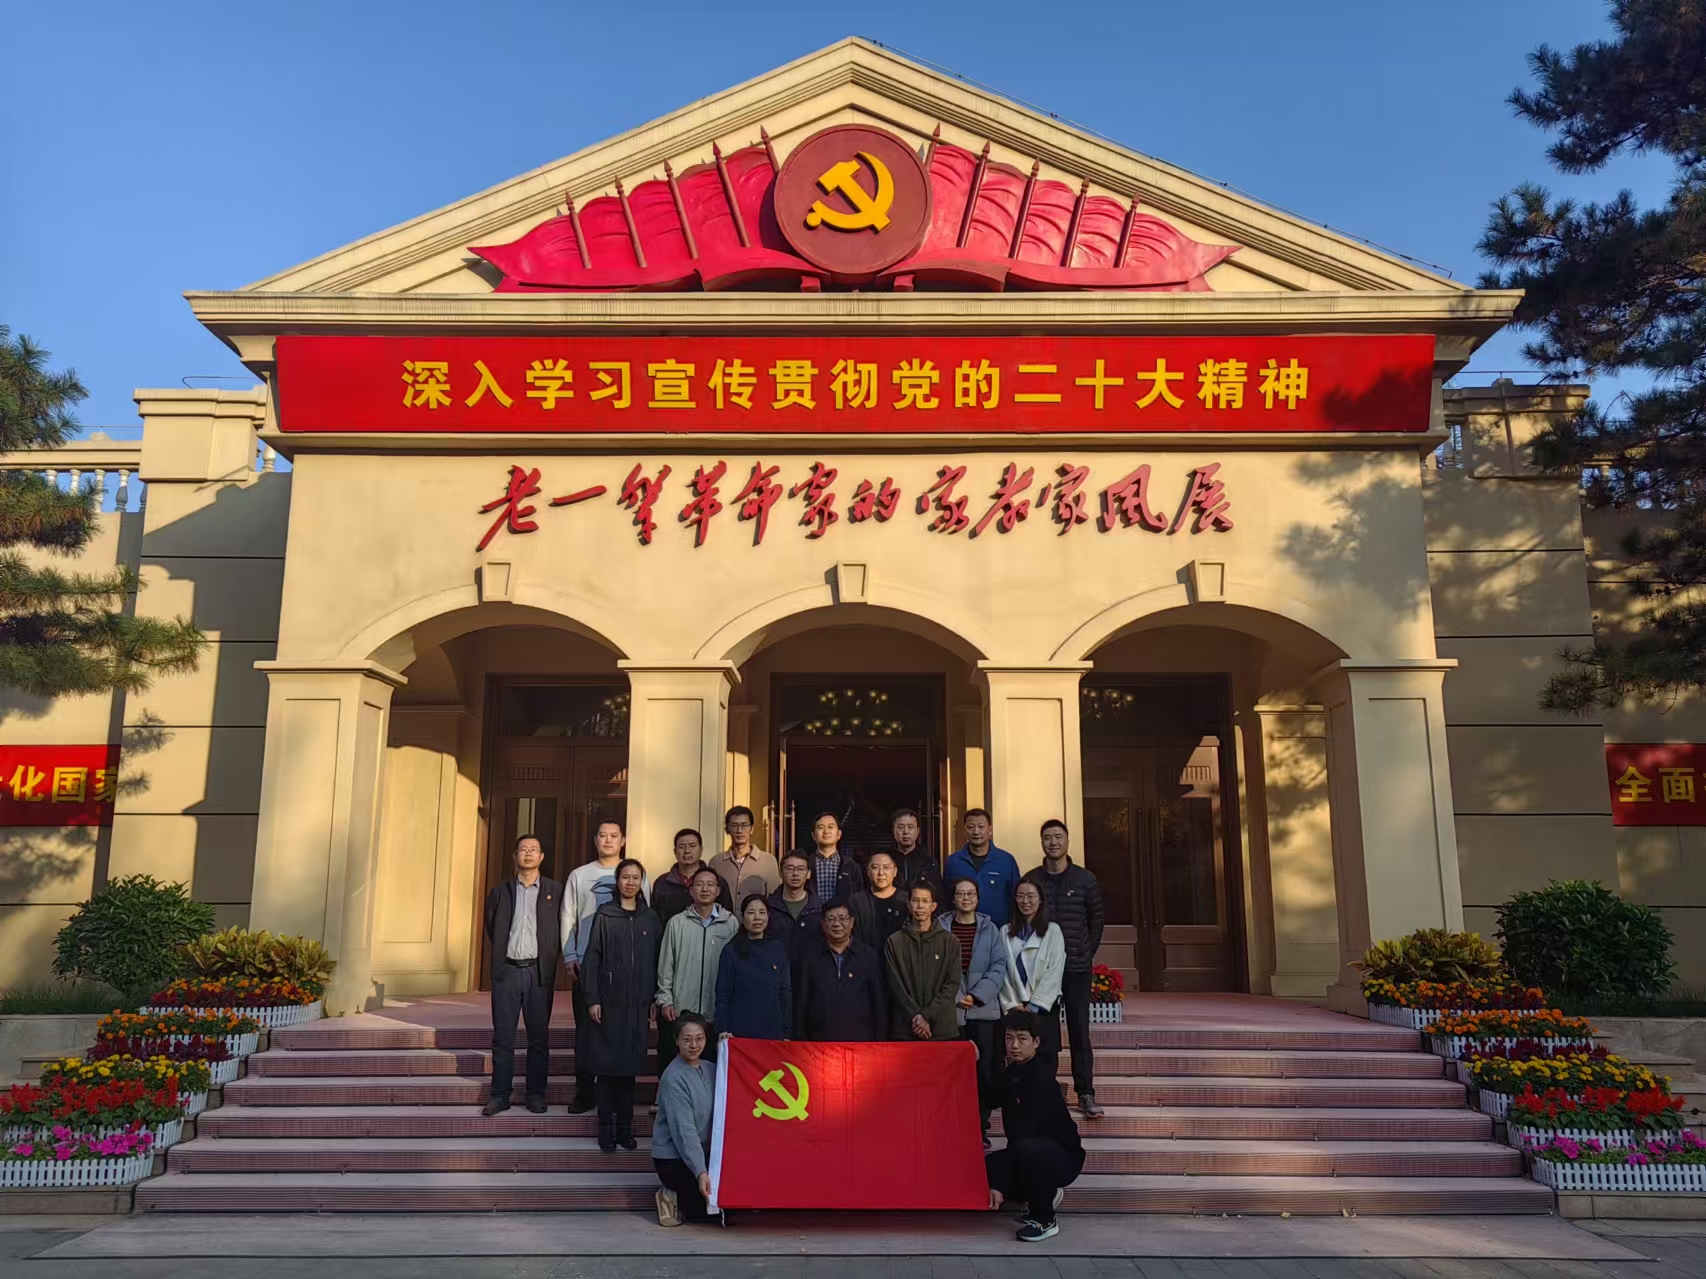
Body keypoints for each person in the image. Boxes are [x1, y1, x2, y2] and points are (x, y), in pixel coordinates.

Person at [561, 820, 648, 1115]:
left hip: (625, 971)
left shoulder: (635, 873)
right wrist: (570, 955)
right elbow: (568, 916)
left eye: (614, 836)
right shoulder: (579, 875)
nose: (608, 840)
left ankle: (619, 1099)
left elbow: (644, 915)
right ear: (595, 840)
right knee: (586, 1034)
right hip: (587, 965)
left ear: (623, 840)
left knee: (621, 1034)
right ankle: (585, 1092)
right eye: (603, 835)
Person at [1022, 819, 1106, 1119]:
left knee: (1079, 1031)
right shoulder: (1032, 879)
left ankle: (1085, 1093)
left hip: (1075, 969)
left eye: (1058, 837)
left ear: (1068, 841)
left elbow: (1096, 921)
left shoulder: (1085, 879)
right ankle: (1043, 1089)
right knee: (1044, 1033)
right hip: (1041, 972)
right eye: (1047, 837)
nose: (1053, 843)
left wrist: (1084, 952)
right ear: (1041, 842)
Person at [580, 857, 660, 1153]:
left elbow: (658, 961)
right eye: (625, 877)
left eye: (636, 877)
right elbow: (592, 960)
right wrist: (593, 999)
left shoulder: (650, 918)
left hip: (637, 1007)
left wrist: (654, 997)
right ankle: (605, 1129)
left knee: (629, 1071)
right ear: (617, 881)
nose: (630, 882)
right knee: (606, 1070)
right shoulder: (605, 915)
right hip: (609, 1005)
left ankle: (625, 1129)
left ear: (642, 882)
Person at [480, 834, 563, 1116]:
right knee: (503, 1037)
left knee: (538, 1037)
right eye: (523, 849)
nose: (528, 853)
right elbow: (492, 926)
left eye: (534, 849)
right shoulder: (500, 891)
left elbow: (562, 927)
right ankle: (500, 1094)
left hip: (538, 973)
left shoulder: (555, 890)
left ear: (542, 857)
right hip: (508, 972)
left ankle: (536, 1093)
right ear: (515, 856)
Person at [985, 1009, 1084, 1243]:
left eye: (1022, 1039)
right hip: (1026, 1151)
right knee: (983, 1167)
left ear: (1036, 1042)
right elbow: (988, 1098)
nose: (1014, 1045)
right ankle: (1047, 1194)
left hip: (1059, 1156)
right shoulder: (1011, 1072)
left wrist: (1000, 1181)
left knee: (1029, 1152)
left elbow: (1028, 1135)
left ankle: (1045, 1219)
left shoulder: (1042, 1078)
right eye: (1009, 1038)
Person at [655, 866, 737, 1075]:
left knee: (711, 1070)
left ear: (718, 890)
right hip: (682, 1010)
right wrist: (666, 999)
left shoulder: (730, 924)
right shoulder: (677, 923)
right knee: (676, 1067)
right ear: (691, 891)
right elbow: (666, 964)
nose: (705, 889)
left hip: (715, 1010)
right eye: (699, 884)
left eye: (710, 885)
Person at [946, 876, 1006, 1141]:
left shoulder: (990, 929)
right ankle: (954, 1126)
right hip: (951, 1010)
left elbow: (998, 965)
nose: (966, 898)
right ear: (953, 898)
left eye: (971, 894)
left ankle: (980, 1126)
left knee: (983, 1071)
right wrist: (957, 995)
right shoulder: (941, 926)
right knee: (954, 1072)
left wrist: (976, 995)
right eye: (961, 893)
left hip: (983, 1010)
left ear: (978, 898)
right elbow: (937, 968)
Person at [652, 1013, 718, 1227]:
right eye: (687, 1039)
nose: (694, 1045)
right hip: (675, 1159)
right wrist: (701, 1172)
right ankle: (670, 1193)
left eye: (699, 1039)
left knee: (730, 1208)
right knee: (705, 1214)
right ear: (677, 1041)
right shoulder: (673, 1077)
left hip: (705, 1154)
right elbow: (684, 1131)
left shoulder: (711, 1068)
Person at [793, 899, 887, 1041]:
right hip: (819, 1043)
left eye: (842, 918)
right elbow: (802, 1003)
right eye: (831, 919)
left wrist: (879, 1042)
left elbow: (879, 1004)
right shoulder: (810, 958)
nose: (837, 924)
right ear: (823, 924)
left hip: (860, 1043)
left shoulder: (868, 957)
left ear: (852, 922)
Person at [999, 881, 1066, 1075]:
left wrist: (1034, 1006)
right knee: (1015, 1063)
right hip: (1015, 1006)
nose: (1025, 901)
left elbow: (1054, 971)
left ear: (1041, 900)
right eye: (1020, 896)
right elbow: (1002, 971)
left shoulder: (1052, 931)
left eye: (1031, 896)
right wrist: (1014, 1005)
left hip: (1043, 1008)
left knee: (1044, 1064)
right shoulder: (1005, 932)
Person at [883, 882, 961, 1042]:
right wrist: (916, 1017)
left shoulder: (950, 941)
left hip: (941, 1029)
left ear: (933, 906)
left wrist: (927, 1015)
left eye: (925, 901)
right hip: (905, 1029)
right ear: (908, 904)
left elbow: (952, 984)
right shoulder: (894, 941)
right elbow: (894, 985)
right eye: (915, 900)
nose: (920, 906)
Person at [715, 894, 793, 1040]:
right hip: (739, 1032)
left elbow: (785, 992)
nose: (757, 918)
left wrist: (787, 1032)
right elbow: (723, 994)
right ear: (742, 917)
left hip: (773, 1032)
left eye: (762, 912)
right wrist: (723, 1028)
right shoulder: (731, 951)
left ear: (768, 916)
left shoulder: (778, 949)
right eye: (751, 912)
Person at [943, 808, 1021, 927]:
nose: (976, 831)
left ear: (990, 830)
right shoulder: (953, 862)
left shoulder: (1006, 860)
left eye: (981, 827)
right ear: (964, 831)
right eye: (971, 827)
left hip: (999, 929)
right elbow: (947, 899)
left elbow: (1015, 897)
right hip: (961, 929)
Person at [652, 828, 732, 927]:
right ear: (675, 852)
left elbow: (727, 917)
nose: (687, 851)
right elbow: (655, 920)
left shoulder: (717, 881)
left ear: (701, 850)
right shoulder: (662, 883)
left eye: (692, 846)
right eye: (682, 847)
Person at [711, 805, 780, 902]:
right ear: (727, 830)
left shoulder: (768, 861)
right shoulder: (716, 862)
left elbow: (774, 899)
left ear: (752, 829)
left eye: (744, 825)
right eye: (734, 825)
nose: (739, 830)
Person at [764, 852, 823, 967]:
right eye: (789, 869)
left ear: (808, 874)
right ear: (780, 873)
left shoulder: (819, 908)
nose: (795, 873)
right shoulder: (768, 907)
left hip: (811, 971)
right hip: (776, 970)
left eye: (801, 869)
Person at [847, 851, 907, 951]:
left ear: (895, 871)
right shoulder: (857, 901)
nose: (881, 873)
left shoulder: (905, 900)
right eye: (875, 868)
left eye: (886, 867)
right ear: (867, 871)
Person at [806, 812, 862, 904]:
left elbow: (859, 898)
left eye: (830, 827)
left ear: (839, 834)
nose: (826, 831)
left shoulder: (851, 866)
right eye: (821, 827)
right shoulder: (805, 865)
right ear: (813, 835)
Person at [888, 807, 943, 899]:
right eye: (901, 827)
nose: (906, 832)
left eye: (910, 827)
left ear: (917, 831)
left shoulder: (928, 861)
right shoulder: (885, 860)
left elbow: (937, 895)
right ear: (894, 831)